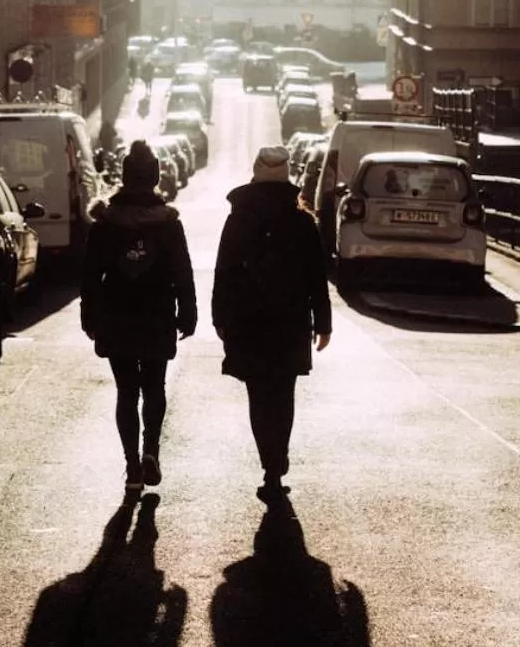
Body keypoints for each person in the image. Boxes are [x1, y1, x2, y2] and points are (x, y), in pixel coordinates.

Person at [211, 145, 332, 501]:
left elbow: (224, 271)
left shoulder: (239, 218)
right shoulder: (301, 221)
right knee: (284, 392)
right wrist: (323, 322)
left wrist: (220, 316)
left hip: (248, 318)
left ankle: (269, 462)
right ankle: (278, 456)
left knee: (258, 393)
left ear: (255, 172)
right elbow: (316, 276)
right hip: (290, 318)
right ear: (287, 174)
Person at [80, 140, 197, 492]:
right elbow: (182, 272)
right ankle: (152, 452)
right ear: (155, 177)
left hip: (117, 313)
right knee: (155, 386)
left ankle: (131, 465)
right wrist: (188, 312)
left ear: (125, 176)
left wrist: (90, 314)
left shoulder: (105, 222)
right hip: (157, 312)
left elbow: (89, 274)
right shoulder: (168, 223)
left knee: (126, 390)